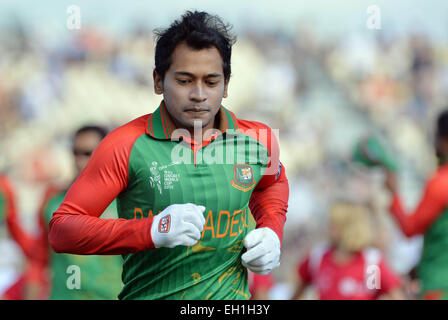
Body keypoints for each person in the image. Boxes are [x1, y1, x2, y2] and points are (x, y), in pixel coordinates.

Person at [48, 11, 289, 300]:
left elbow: (273, 182)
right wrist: (151, 231)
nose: (199, 94)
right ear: (158, 81)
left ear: (226, 85)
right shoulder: (124, 145)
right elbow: (62, 230)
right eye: (185, 81)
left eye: (211, 82)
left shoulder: (260, 139)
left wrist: (272, 230)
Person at [31, 125, 123, 299]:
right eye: (76, 152)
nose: (80, 160)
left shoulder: (124, 202)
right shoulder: (53, 201)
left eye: (88, 153)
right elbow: (38, 259)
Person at [384, 109, 448, 300]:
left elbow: (410, 228)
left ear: (444, 140)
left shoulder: (441, 182)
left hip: (439, 286)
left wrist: (393, 192)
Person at [290, 201, 403, 300]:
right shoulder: (318, 256)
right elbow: (298, 288)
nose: (329, 228)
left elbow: (395, 295)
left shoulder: (371, 263)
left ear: (348, 228)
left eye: (334, 225)